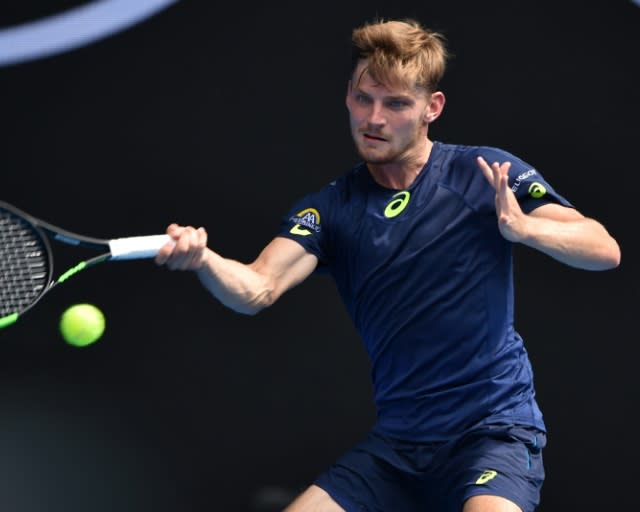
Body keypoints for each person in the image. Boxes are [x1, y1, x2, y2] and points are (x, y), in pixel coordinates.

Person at [154, 17, 621, 512]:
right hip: (397, 448)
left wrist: (528, 230)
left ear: (430, 108)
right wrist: (204, 259)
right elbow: (257, 288)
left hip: (493, 432)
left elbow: (602, 248)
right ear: (348, 96)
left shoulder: (481, 172)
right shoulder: (330, 208)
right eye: (363, 98)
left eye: (396, 103)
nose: (373, 118)